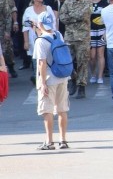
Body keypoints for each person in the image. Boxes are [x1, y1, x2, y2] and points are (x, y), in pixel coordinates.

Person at [33, 11, 70, 150]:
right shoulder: (58, 35)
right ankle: (63, 140)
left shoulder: (41, 41)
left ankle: (49, 141)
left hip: (49, 78)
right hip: (62, 75)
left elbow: (42, 63)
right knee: (62, 110)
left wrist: (42, 83)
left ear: (40, 23)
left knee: (47, 111)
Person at [59, 0, 92, 99]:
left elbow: (83, 15)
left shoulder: (88, 2)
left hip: (83, 37)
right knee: (68, 61)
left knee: (82, 62)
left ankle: (81, 86)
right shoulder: (67, 2)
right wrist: (74, 17)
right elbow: (62, 17)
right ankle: (73, 79)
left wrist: (71, 16)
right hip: (70, 37)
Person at [87, 0, 107, 85]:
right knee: (92, 56)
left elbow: (108, 18)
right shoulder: (87, 3)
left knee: (100, 54)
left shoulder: (104, 3)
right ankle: (93, 74)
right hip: (90, 31)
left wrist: (106, 32)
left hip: (101, 31)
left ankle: (99, 76)